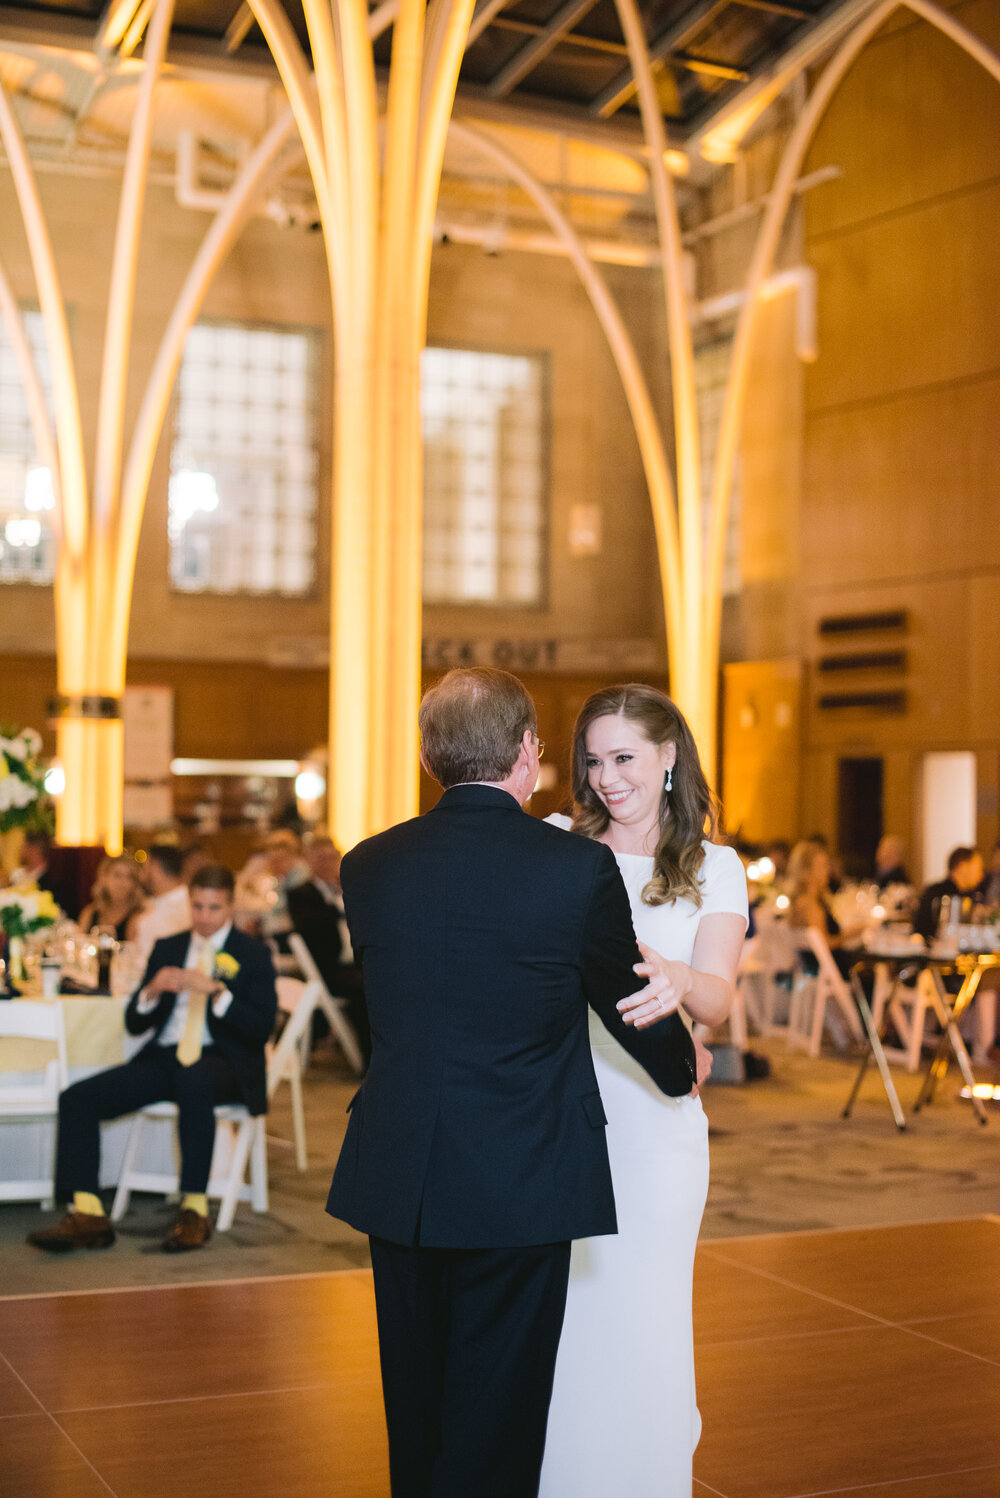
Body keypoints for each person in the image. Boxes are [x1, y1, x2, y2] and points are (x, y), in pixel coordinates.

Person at [326, 667, 696, 1498]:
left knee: (416, 1406)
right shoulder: (573, 868)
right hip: (521, 1173)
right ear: (529, 753)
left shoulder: (368, 866)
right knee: (499, 1417)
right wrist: (682, 1069)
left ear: (430, 757)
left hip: (403, 1170)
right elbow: (630, 997)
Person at [538, 684, 747, 1498]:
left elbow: (720, 1000)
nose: (606, 777)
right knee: (570, 1314)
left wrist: (677, 975)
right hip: (564, 1115)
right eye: (593, 760)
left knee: (649, 1313)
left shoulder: (713, 865)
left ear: (668, 757)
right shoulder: (558, 842)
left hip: (658, 1129)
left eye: (623, 757)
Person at [27, 865, 277, 1254]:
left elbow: (260, 1028)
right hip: (166, 1056)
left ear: (230, 906)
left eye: (214, 908)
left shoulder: (253, 954)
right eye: (197, 906)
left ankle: (194, 1209)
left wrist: (217, 993)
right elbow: (133, 1022)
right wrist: (152, 991)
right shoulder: (170, 946)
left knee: (194, 1080)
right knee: (77, 1098)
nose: (204, 917)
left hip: (224, 1060)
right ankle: (88, 1213)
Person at [287, 833, 370, 1068]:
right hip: (330, 968)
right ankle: (367, 1062)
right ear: (309, 861)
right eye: (320, 858)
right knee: (365, 986)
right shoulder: (302, 894)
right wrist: (337, 905)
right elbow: (310, 927)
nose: (326, 862)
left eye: (331, 857)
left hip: (359, 961)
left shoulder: (352, 887)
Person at [132, 844, 191, 963]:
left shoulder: (184, 907)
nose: (140, 874)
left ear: (155, 867)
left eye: (144, 867)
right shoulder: (156, 902)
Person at [913, 845, 984, 942]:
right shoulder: (936, 893)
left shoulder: (973, 895)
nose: (981, 875)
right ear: (963, 867)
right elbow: (922, 930)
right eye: (978, 869)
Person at [78, 854, 146, 941]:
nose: (123, 882)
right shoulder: (90, 913)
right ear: (104, 878)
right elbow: (79, 945)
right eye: (117, 875)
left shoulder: (139, 917)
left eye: (129, 877)